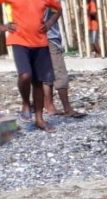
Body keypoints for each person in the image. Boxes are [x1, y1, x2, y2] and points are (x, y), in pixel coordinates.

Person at [0, 0, 62, 132]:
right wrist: (2, 27)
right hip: (19, 40)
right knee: (25, 74)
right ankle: (26, 103)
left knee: (38, 81)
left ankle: (39, 119)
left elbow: (58, 9)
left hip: (40, 42)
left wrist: (50, 23)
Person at [43, 8, 86, 118]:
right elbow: (58, 9)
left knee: (46, 74)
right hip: (50, 37)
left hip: (37, 39)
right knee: (60, 73)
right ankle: (67, 108)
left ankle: (49, 107)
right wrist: (50, 23)